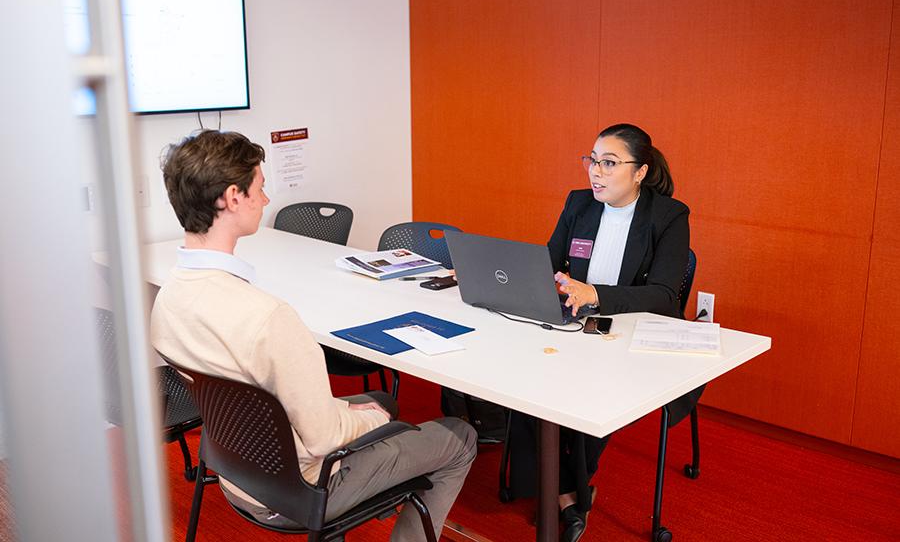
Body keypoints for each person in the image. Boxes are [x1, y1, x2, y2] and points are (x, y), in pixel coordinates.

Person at [150, 130, 477, 541]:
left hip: (234, 471)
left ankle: (379, 485)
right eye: (260, 188)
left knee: (381, 401)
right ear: (233, 197)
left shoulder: (168, 301)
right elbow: (324, 437)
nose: (266, 200)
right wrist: (370, 418)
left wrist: (364, 412)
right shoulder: (268, 318)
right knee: (458, 437)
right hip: (301, 490)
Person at [507, 123, 692, 542]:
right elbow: (549, 262)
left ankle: (560, 493)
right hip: (576, 323)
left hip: (633, 331)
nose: (596, 172)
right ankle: (569, 496)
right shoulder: (579, 204)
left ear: (640, 172)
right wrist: (549, 282)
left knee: (590, 394)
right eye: (592, 160)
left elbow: (664, 295)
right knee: (518, 381)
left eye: (609, 163)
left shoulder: (668, 216)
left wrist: (595, 293)